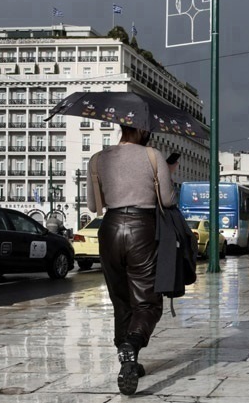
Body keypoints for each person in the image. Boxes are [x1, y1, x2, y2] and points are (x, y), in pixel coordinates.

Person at [86, 125, 176, 395]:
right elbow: (167, 201)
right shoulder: (153, 156)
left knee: (120, 299)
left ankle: (128, 361)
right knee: (147, 302)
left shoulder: (98, 159)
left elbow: (93, 206)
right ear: (144, 129)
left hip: (110, 229)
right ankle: (131, 346)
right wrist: (167, 179)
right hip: (142, 229)